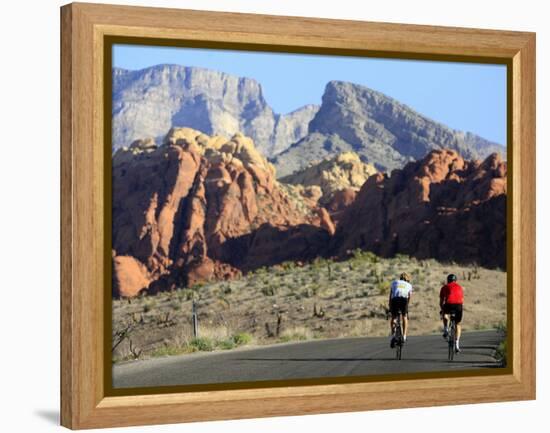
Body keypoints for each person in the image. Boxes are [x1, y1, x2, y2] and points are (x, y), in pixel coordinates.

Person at [439, 274, 464, 352]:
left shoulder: (444, 287)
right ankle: (457, 344)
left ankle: (446, 328)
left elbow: (441, 301)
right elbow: (462, 299)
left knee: (444, 313)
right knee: (458, 324)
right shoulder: (460, 287)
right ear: (455, 280)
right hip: (459, 305)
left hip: (449, 304)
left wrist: (442, 310)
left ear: (448, 280)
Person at [389, 272, 413, 348]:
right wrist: (407, 306)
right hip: (404, 300)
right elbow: (409, 296)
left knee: (393, 317)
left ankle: (393, 336)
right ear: (407, 279)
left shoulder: (394, 282)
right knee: (404, 317)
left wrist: (390, 306)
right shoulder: (409, 285)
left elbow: (391, 295)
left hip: (395, 300)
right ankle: (404, 336)